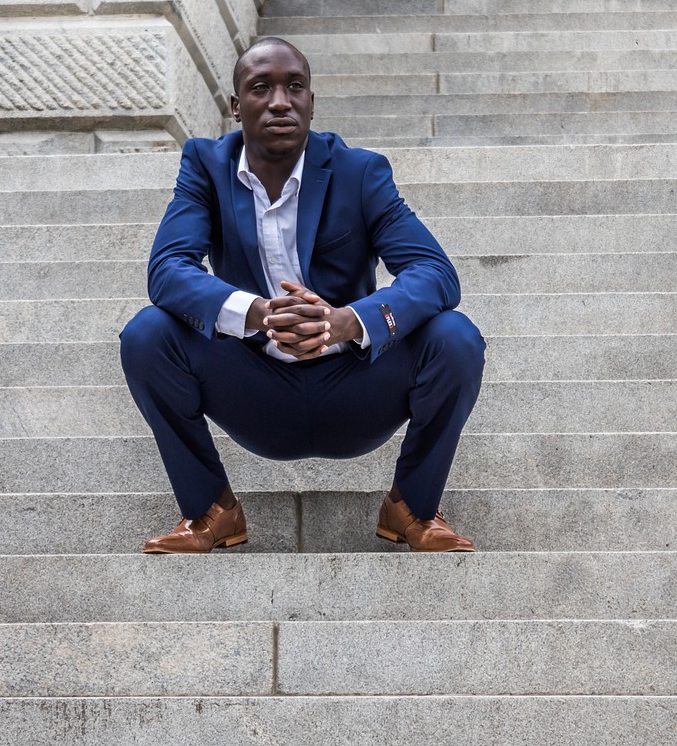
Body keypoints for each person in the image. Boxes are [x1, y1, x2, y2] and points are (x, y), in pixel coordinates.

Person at [120, 37, 485, 553]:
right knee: (147, 333)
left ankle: (412, 508)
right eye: (261, 88)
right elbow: (168, 270)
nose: (279, 101)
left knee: (456, 336)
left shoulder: (359, 172)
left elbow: (435, 271)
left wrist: (346, 322)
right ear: (235, 104)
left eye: (295, 87)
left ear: (312, 100)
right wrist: (259, 314)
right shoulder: (205, 165)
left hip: (356, 385)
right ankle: (211, 512)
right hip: (255, 388)